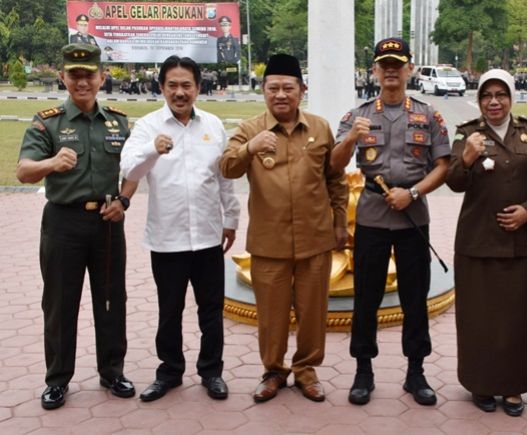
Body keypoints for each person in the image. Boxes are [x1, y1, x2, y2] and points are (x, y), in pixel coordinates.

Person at [220, 53, 348, 404]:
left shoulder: (320, 128)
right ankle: (273, 371)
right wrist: (251, 147)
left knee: (313, 313)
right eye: (273, 87)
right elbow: (227, 167)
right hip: (269, 240)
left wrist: (340, 222)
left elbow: (335, 179)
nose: (280, 94)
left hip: (315, 237)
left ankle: (307, 370)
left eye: (288, 88)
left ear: (301, 90)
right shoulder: (250, 129)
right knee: (271, 316)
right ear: (263, 91)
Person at [331, 37, 450, 407]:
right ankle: (363, 371)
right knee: (366, 297)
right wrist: (351, 138)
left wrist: (412, 194)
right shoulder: (358, 115)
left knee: (415, 297)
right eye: (385, 64)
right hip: (371, 217)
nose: (391, 70)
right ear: (375, 71)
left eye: (398, 64)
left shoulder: (429, 115)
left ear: (409, 69)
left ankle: (416, 372)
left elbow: (443, 165)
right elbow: (334, 165)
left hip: (412, 216)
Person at [16, 43, 135, 410]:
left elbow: (135, 169)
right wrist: (51, 163)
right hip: (63, 222)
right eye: (75, 75)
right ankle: (57, 380)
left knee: (112, 300)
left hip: (107, 223)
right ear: (63, 78)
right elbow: (23, 171)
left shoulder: (118, 121)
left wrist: (124, 201)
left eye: (89, 75)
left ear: (102, 78)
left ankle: (112, 371)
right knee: (60, 303)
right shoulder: (47, 121)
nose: (82, 81)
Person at [120, 55, 240, 402]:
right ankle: (170, 371)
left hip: (207, 236)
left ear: (198, 88)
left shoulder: (213, 125)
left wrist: (231, 219)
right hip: (167, 238)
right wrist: (151, 150)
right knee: (169, 310)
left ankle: (211, 371)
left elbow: (225, 179)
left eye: (187, 84)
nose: (180, 92)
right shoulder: (147, 126)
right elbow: (129, 169)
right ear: (161, 88)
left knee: (211, 310)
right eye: (172, 85)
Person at [445, 69, 527, 416]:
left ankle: (514, 387)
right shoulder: (467, 134)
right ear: (479, 101)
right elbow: (454, 183)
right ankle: (481, 383)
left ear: (511, 97)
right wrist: (467, 157)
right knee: (479, 318)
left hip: (524, 243)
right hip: (478, 243)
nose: (494, 102)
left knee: (521, 318)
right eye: (487, 96)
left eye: (501, 95)